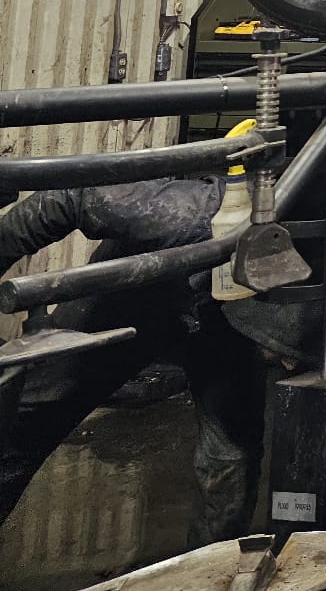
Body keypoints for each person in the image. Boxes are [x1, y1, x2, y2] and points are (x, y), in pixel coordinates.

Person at [0, 177, 268, 545]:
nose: (285, 367)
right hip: (132, 292)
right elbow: (70, 196)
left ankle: (211, 565)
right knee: (27, 420)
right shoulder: (195, 213)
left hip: (224, 314)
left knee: (232, 458)